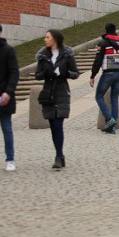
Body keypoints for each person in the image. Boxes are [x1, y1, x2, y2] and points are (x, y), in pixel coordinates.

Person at [35, 29, 80, 170]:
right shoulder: (43, 55)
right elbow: (37, 75)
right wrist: (46, 73)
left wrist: (65, 73)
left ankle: (58, 156)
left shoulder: (67, 54)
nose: (45, 39)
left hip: (61, 91)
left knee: (58, 124)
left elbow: (75, 73)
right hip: (48, 92)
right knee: (53, 126)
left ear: (54, 38)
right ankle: (59, 155)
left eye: (47, 37)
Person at [89, 23, 119, 134]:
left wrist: (93, 75)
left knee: (99, 96)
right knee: (114, 98)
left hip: (108, 73)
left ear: (105, 30)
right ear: (115, 30)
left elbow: (98, 60)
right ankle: (112, 127)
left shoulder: (103, 42)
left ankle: (109, 119)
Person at [0, 23, 19, 172]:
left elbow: (14, 72)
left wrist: (8, 92)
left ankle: (10, 159)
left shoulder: (8, 50)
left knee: (6, 128)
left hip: (4, 94)